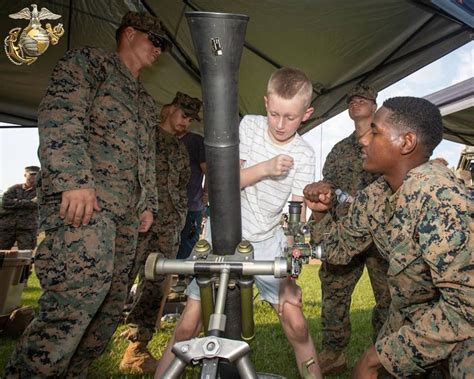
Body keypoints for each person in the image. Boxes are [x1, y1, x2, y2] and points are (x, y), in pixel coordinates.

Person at [4, 11, 167, 378]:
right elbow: (61, 116)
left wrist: (148, 204)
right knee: (72, 306)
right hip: (83, 207)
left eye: (165, 46)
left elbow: (146, 157)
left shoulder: (144, 98)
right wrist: (73, 180)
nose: (160, 50)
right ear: (128, 33)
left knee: (108, 311)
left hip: (124, 218)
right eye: (155, 40)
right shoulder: (90, 63)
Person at [154, 67, 322, 379]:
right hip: (224, 231)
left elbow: (298, 220)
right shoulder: (252, 126)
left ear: (307, 114)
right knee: (189, 323)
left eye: (291, 117)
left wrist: (290, 275)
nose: (281, 125)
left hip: (267, 239)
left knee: (297, 324)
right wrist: (266, 168)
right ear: (265, 104)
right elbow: (223, 184)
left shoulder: (305, 153)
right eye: (274, 114)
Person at [304, 96, 473, 378]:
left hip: (459, 323)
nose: (363, 140)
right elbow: (337, 250)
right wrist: (321, 214)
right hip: (414, 317)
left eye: (375, 132)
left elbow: (467, 306)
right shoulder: (377, 195)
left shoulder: (438, 196)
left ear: (406, 142)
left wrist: (381, 356)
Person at [119, 92, 201, 374]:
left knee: (155, 285)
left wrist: (178, 220)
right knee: (120, 276)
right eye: (183, 116)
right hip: (136, 224)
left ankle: (137, 347)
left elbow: (181, 188)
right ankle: (91, 338)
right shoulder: (144, 139)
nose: (186, 123)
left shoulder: (180, 150)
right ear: (169, 110)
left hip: (167, 229)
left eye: (190, 120)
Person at [316, 85, 390, 374]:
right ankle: (334, 352)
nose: (355, 101)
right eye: (351, 99)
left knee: (389, 297)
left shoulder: (386, 143)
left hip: (383, 236)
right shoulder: (339, 150)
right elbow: (329, 186)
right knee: (334, 291)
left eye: (363, 98)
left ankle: (384, 354)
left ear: (375, 105)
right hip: (346, 234)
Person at [173, 115, 207, 291]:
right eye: (181, 115)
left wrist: (206, 195)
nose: (183, 120)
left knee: (188, 243)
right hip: (167, 206)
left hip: (191, 205)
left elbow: (207, 170)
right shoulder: (161, 137)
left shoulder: (195, 141)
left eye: (188, 117)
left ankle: (186, 280)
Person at [0, 166, 40, 250]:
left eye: (36, 175)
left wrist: (15, 202)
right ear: (25, 175)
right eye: (31, 174)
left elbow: (36, 204)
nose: (33, 177)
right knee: (1, 252)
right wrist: (28, 202)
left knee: (26, 256)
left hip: (27, 229)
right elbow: (5, 202)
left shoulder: (41, 191)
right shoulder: (14, 189)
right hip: (7, 228)